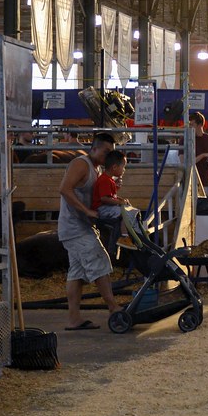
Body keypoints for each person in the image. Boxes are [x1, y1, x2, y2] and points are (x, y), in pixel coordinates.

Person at [57, 131, 124, 330]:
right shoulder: (81, 164)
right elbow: (64, 189)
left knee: (77, 273)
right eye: (106, 152)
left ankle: (73, 319)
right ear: (93, 149)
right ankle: (113, 308)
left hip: (81, 226)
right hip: (74, 227)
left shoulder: (97, 169)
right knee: (99, 261)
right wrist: (87, 211)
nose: (108, 156)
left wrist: (113, 188)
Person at [91, 149, 139, 235]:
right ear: (114, 167)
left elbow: (111, 196)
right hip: (102, 209)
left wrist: (121, 199)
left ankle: (134, 232)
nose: (124, 170)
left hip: (106, 208)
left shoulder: (109, 180)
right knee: (127, 213)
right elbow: (104, 199)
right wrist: (120, 202)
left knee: (131, 209)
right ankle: (125, 236)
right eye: (123, 167)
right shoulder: (105, 180)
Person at [189, 112, 208, 196]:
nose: (190, 127)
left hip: (207, 183)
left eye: (192, 124)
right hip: (191, 184)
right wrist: (203, 155)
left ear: (200, 125)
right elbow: (187, 162)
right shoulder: (186, 140)